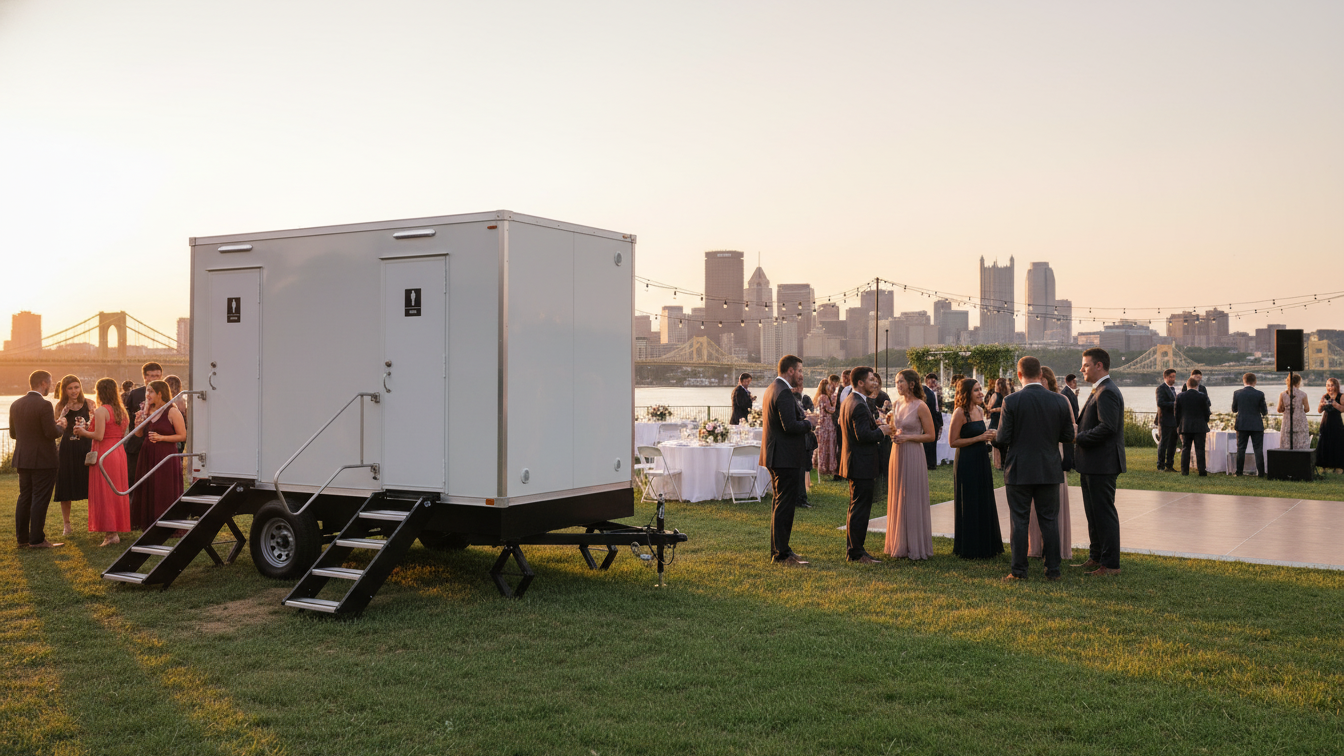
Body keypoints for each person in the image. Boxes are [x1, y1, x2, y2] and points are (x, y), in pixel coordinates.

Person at [993, 357, 1075, 581]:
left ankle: (1019, 571)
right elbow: (1069, 436)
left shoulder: (1011, 401)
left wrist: (994, 440)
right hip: (1049, 467)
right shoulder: (1059, 401)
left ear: (1019, 375)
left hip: (1019, 468)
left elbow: (1003, 437)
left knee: (1019, 521)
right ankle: (1053, 570)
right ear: (1040, 374)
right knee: (1049, 520)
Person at [1074, 348, 1125, 576]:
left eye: (1085, 365)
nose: (1081, 369)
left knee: (1104, 514)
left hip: (1102, 463)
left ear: (1099, 366)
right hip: (1091, 463)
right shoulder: (1100, 389)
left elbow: (1108, 427)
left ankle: (1111, 564)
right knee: (1093, 513)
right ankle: (1096, 557)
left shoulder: (1107, 392)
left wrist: (1078, 437)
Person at [760, 355, 815, 566]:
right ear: (790, 370)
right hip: (784, 457)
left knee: (779, 504)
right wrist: (809, 423)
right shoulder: (783, 392)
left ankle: (781, 549)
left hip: (777, 455)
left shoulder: (772, 388)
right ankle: (782, 554)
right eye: (800, 371)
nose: (801, 375)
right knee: (784, 506)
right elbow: (789, 426)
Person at [10, 370, 67, 549]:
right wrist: (61, 426)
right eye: (50, 382)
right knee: (40, 498)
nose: (50, 386)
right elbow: (50, 433)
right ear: (43, 383)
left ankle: (22, 539)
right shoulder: (44, 405)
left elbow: (13, 434)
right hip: (43, 460)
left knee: (24, 497)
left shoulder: (15, 404)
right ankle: (37, 540)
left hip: (22, 458)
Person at [838, 366, 889, 564]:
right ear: (860, 382)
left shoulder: (851, 400)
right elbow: (862, 436)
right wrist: (882, 431)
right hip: (861, 463)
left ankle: (854, 550)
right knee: (860, 509)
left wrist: (874, 425)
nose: (874, 383)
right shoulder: (858, 404)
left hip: (855, 462)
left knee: (856, 508)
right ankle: (857, 553)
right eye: (871, 379)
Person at [884, 369, 936, 560]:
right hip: (897, 453)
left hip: (914, 453)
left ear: (912, 384)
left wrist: (908, 438)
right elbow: (895, 429)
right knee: (898, 494)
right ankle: (900, 543)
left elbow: (930, 435)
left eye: (901, 382)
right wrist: (891, 430)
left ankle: (915, 544)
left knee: (912, 496)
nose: (898, 385)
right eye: (896, 382)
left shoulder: (921, 406)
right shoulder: (896, 404)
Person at [72, 378, 131, 546]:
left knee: (105, 492)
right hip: (118, 452)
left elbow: (99, 436)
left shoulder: (101, 410)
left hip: (105, 453)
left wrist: (83, 432)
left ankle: (111, 534)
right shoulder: (121, 410)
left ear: (99, 392)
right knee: (116, 491)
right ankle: (116, 528)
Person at [948, 378, 1002, 559]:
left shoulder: (979, 410)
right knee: (969, 500)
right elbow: (953, 442)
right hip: (966, 460)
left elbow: (982, 435)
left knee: (983, 498)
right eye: (976, 390)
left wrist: (990, 437)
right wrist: (979, 438)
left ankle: (987, 545)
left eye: (980, 389)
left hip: (981, 458)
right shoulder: (959, 413)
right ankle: (970, 547)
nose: (980, 393)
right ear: (966, 393)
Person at [1028, 367, 1074, 561]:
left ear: (1048, 380)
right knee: (1032, 504)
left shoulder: (1061, 400)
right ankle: (1035, 545)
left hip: (1056, 452)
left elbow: (1071, 429)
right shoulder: (1029, 399)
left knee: (1053, 502)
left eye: (1042, 380)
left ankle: (1055, 547)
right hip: (1033, 455)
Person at [129, 380, 187, 531]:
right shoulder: (147, 411)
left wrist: (162, 438)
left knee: (164, 487)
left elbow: (182, 436)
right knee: (149, 486)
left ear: (160, 393)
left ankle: (168, 524)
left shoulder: (172, 411)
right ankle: (149, 523)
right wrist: (138, 424)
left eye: (151, 392)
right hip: (147, 453)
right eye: (147, 391)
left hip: (165, 455)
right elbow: (139, 434)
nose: (147, 395)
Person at [52, 374, 94, 537]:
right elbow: (57, 429)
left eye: (76, 387)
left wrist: (91, 418)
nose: (74, 391)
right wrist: (62, 414)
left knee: (91, 484)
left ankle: (94, 520)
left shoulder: (89, 403)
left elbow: (95, 425)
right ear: (64, 390)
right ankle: (67, 524)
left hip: (85, 446)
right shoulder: (60, 405)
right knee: (66, 484)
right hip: (67, 448)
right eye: (70, 388)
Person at [123, 361, 164, 489]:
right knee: (134, 479)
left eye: (157, 376)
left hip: (157, 440)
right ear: (144, 377)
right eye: (150, 376)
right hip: (137, 441)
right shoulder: (135, 394)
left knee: (155, 480)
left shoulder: (165, 395)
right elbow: (126, 418)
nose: (154, 379)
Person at [1231, 373, 1269, 476]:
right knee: (1258, 449)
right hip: (1256, 425)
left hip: (1242, 424)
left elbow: (1234, 409)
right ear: (1255, 382)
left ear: (1244, 381)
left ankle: (1239, 472)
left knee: (1241, 449)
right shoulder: (1260, 394)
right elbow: (1264, 411)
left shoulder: (1237, 393)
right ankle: (1261, 472)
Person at [1176, 377, 1212, 475]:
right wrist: (1205, 421)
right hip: (1200, 426)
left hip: (1185, 426)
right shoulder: (1202, 396)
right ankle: (1201, 471)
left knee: (1185, 448)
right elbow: (1207, 412)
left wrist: (1178, 425)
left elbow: (1177, 413)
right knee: (1200, 449)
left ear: (1187, 385)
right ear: (1197, 386)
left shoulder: (1180, 396)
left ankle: (1184, 471)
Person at [791, 382, 816, 507]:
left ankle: (802, 497)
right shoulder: (792, 401)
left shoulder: (803, 399)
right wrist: (807, 420)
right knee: (800, 471)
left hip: (805, 440)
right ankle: (800, 498)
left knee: (803, 469)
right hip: (799, 441)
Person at [1317, 378, 1344, 474]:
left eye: (1332, 385)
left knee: (1337, 444)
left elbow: (1343, 409)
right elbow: (1319, 410)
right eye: (1328, 385)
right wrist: (1321, 405)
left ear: (1336, 386)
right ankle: (1324, 466)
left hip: (1336, 423)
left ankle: (1338, 466)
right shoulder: (1325, 396)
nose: (1330, 387)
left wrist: (1336, 405)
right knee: (1324, 443)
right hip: (1325, 422)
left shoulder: (1341, 396)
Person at [1154, 369, 1179, 472]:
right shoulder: (1160, 389)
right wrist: (1175, 404)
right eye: (1171, 376)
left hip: (1174, 421)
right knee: (1163, 443)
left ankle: (1169, 465)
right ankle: (1160, 465)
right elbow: (1160, 403)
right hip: (1165, 420)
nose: (1173, 379)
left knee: (1173, 444)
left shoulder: (1173, 389)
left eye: (1174, 376)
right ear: (1165, 377)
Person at [1277, 374, 1310, 451]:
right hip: (1300, 420)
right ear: (1298, 382)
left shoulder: (1283, 394)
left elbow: (1279, 409)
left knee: (1287, 441)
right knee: (1300, 440)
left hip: (1287, 420)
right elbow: (1307, 409)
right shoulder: (1303, 394)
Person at [813, 378, 838, 477]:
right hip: (827, 424)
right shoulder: (824, 397)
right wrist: (835, 402)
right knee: (828, 446)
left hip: (825, 424)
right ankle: (826, 467)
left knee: (825, 446)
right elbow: (830, 410)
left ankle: (825, 467)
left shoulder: (822, 397)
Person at [832, 369, 852, 481]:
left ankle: (847, 471)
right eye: (843, 377)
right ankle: (839, 472)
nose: (844, 379)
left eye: (847, 377)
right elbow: (835, 407)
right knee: (839, 447)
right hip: (839, 423)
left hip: (848, 423)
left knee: (848, 446)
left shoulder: (853, 390)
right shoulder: (838, 390)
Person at [987, 378, 1011, 470]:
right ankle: (1002, 463)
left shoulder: (995, 395)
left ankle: (998, 464)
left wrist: (994, 409)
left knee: (995, 444)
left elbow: (989, 408)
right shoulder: (1008, 396)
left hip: (995, 421)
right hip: (1003, 422)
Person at [922, 373, 944, 471]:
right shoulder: (924, 392)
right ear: (926, 381)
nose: (933, 382)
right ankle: (925, 463)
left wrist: (940, 423)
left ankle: (932, 464)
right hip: (927, 418)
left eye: (934, 380)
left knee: (933, 442)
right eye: (931, 380)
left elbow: (939, 408)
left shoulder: (938, 392)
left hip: (935, 418)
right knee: (926, 442)